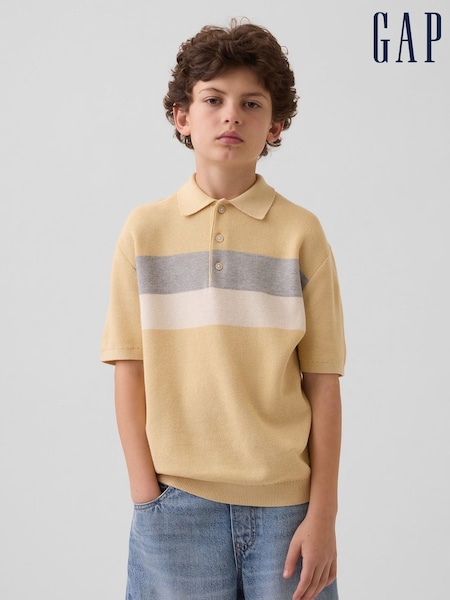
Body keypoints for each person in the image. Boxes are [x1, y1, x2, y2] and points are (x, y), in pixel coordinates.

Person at [101, 18, 345, 600]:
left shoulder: (301, 233)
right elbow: (129, 369)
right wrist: (146, 495)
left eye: (251, 104)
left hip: (287, 509)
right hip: (176, 505)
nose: (231, 116)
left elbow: (323, 383)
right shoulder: (144, 231)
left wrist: (323, 515)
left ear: (275, 125)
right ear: (182, 117)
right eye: (213, 100)